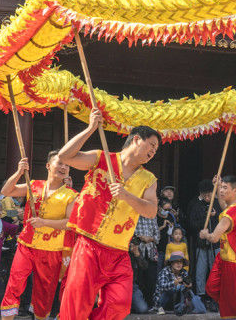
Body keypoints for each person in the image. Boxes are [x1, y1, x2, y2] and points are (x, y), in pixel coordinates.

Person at [57, 110, 160, 320]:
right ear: (137, 139)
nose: (153, 152)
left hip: (120, 251)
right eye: (152, 145)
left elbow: (151, 210)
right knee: (77, 304)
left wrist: (126, 195)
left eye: (156, 150)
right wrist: (90, 128)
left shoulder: (149, 179)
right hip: (90, 245)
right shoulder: (101, 158)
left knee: (119, 305)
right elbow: (64, 157)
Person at [0, 152, 77, 319]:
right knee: (15, 282)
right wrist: (20, 172)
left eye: (67, 165)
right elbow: (6, 191)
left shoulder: (70, 195)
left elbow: (70, 223)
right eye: (60, 163)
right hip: (27, 244)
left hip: (52, 249)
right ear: (48, 166)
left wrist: (44, 222)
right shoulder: (33, 185)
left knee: (44, 295)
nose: (64, 167)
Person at [199, 174, 236, 320]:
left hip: (233, 259)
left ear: (234, 191)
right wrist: (217, 185)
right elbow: (223, 205)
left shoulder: (229, 215)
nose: (221, 191)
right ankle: (229, 305)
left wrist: (205, 234)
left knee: (232, 300)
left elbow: (214, 237)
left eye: (224, 188)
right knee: (211, 288)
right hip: (224, 256)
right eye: (221, 188)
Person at [188, 178, 219, 308]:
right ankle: (200, 297)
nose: (208, 197)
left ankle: (214, 298)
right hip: (201, 244)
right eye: (205, 195)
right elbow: (191, 225)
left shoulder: (217, 203)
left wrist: (215, 216)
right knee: (200, 271)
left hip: (215, 244)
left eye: (210, 195)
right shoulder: (195, 204)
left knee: (215, 271)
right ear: (201, 193)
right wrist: (205, 218)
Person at [153, 251, 205, 315]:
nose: (179, 263)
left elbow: (188, 285)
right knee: (175, 287)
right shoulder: (165, 271)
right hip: (162, 302)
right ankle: (159, 307)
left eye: (181, 261)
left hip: (176, 302)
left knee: (182, 288)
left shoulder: (184, 272)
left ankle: (182, 307)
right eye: (176, 261)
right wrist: (173, 283)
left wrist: (188, 286)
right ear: (171, 263)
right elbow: (161, 287)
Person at [134, 214, 161, 308]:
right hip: (137, 252)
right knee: (139, 279)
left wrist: (151, 238)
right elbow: (129, 235)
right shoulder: (134, 216)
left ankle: (150, 304)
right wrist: (140, 237)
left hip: (151, 252)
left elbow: (158, 236)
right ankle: (139, 304)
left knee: (151, 279)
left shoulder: (152, 217)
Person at [129, 236, 150, 314]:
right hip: (120, 285)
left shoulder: (136, 251)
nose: (133, 244)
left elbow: (145, 266)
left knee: (143, 309)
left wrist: (137, 254)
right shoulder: (120, 250)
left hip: (132, 285)